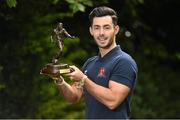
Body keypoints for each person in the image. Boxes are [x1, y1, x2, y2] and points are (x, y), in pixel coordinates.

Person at [52, 6, 138, 119]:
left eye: (106, 27)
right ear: (91, 31)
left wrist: (83, 78)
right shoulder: (90, 63)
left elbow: (113, 101)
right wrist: (59, 80)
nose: (101, 33)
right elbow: (73, 97)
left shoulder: (124, 61)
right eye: (97, 28)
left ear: (116, 30)